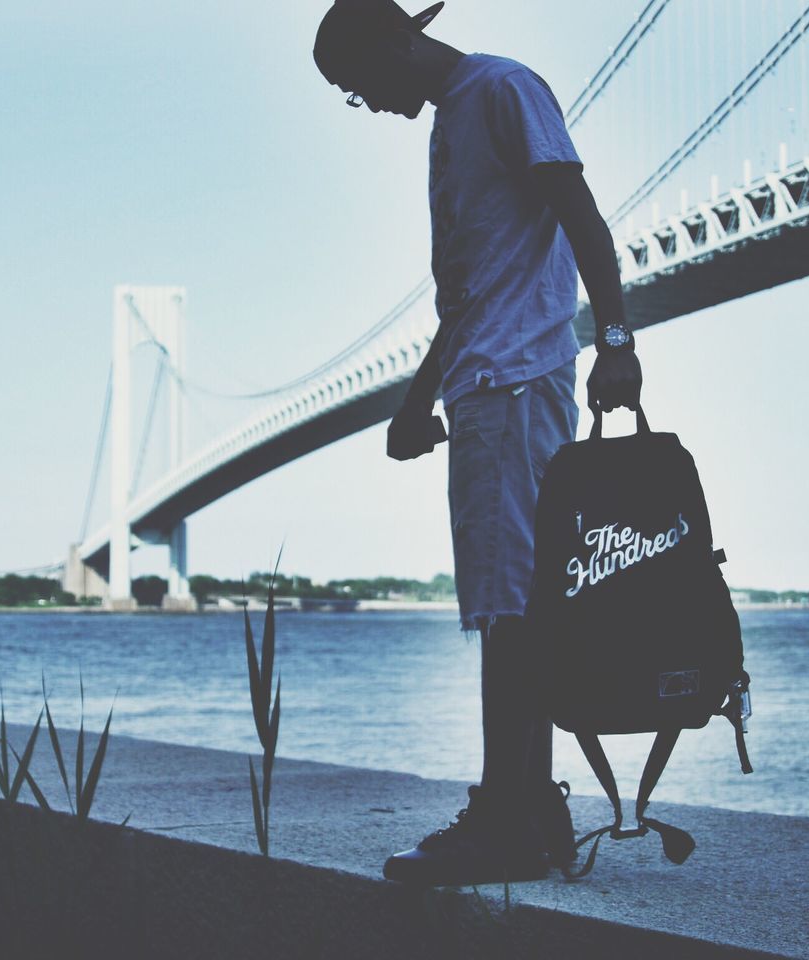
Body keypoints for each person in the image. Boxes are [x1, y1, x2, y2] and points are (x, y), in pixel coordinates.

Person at [313, 0, 642, 885]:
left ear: (395, 41)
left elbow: (584, 219)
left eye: (357, 86)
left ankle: (511, 818)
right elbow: (466, 293)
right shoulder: (452, 120)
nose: (368, 105)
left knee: (512, 610)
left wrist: (617, 343)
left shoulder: (501, 88)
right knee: (508, 604)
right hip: (479, 383)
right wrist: (417, 402)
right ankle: (524, 806)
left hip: (516, 378)